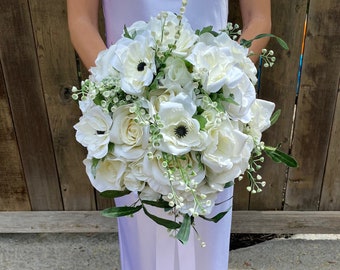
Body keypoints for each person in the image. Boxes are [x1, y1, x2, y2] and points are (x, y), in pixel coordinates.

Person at [67, 1, 271, 269]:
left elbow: (259, 19)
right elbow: (81, 20)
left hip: (212, 112)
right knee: (142, 237)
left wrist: (221, 83)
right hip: (130, 113)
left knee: (206, 237)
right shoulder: (127, 108)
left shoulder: (213, 106)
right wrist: (121, 91)